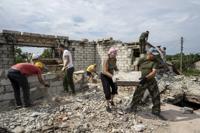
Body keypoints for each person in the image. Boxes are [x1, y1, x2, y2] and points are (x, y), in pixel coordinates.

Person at [126, 48, 166, 120]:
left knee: (156, 95)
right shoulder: (142, 59)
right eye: (153, 55)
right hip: (141, 80)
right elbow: (136, 66)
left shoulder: (155, 61)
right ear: (149, 53)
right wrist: (137, 75)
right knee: (137, 95)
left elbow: (153, 72)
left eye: (155, 55)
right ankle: (133, 108)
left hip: (151, 80)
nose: (154, 56)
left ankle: (156, 111)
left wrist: (146, 78)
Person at [100, 47, 119, 112]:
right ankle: (107, 105)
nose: (115, 55)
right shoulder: (106, 59)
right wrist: (113, 76)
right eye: (114, 53)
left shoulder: (114, 59)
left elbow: (114, 66)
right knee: (107, 91)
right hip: (104, 76)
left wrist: (117, 70)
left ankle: (111, 100)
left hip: (111, 76)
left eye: (116, 53)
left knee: (115, 88)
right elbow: (105, 71)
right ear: (110, 53)